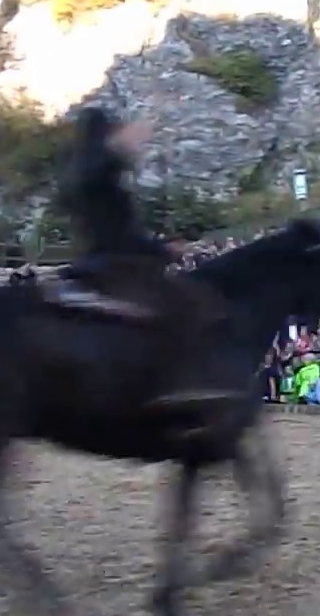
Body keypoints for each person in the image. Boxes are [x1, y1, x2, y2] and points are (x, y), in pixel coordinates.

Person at [55, 106, 236, 414]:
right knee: (190, 304)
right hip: (115, 264)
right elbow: (120, 235)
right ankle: (180, 386)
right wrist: (166, 250)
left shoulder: (77, 172)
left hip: (92, 263)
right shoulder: (99, 179)